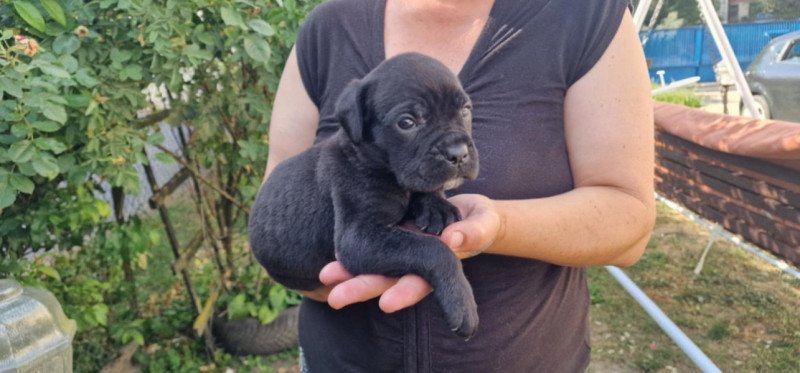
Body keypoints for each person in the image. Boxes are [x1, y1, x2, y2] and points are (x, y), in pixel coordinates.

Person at [262, 0, 655, 371]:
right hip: (342, 357)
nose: (455, 145)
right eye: (408, 122)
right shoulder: (327, 27)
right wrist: (434, 258)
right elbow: (287, 207)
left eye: (462, 111)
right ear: (356, 125)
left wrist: (496, 224)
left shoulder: (585, 15)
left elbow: (629, 219)